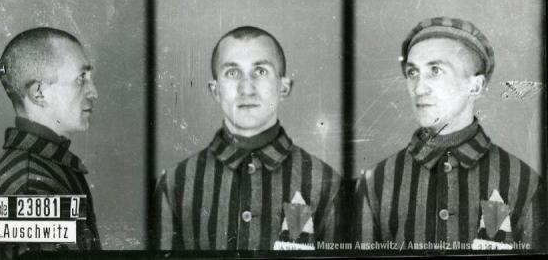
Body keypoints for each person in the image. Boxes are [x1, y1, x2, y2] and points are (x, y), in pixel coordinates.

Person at [352, 17, 547, 249]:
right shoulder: (375, 183)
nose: (419, 88)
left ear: (475, 86)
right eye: (413, 72)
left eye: (435, 70)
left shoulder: (524, 182)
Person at [155, 26, 344, 250]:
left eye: (261, 71)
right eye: (232, 73)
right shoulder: (176, 183)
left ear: (283, 87)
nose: (247, 89)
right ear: (215, 90)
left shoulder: (326, 183)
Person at [0, 27, 101, 259]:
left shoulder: (44, 168)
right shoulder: (33, 187)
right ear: (39, 93)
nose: (93, 92)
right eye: (81, 79)